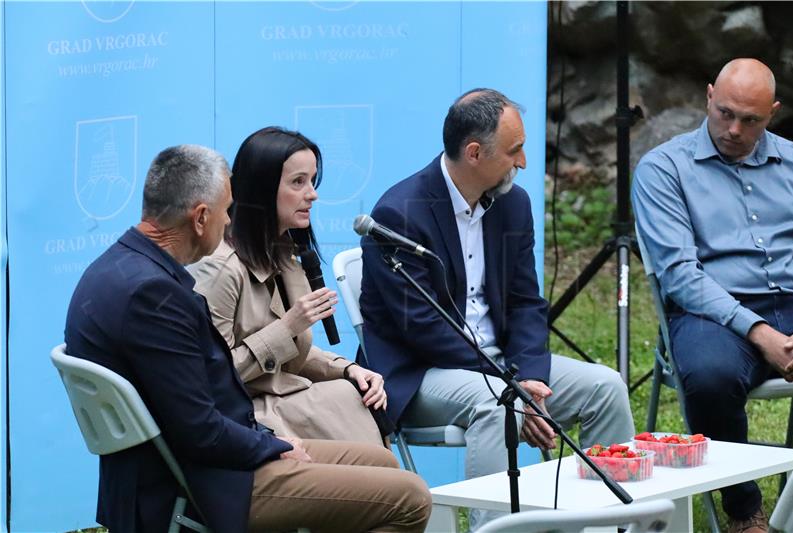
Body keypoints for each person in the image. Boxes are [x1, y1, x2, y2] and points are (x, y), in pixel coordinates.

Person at [64, 144, 431, 533]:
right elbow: (200, 430)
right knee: (411, 498)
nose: (228, 223)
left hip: (213, 459)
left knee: (385, 465)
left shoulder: (114, 269)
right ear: (201, 217)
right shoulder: (153, 295)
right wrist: (274, 446)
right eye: (225, 211)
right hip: (208, 483)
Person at [359, 88, 634, 529]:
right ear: (474, 153)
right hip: (421, 371)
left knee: (605, 387)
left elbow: (526, 301)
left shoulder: (513, 203)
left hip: (503, 366)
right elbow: (424, 331)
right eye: (515, 151)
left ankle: (608, 525)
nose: (523, 162)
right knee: (497, 405)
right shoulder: (399, 213)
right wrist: (514, 386)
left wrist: (531, 377)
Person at [633, 58, 793, 533]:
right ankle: (744, 512)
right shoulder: (664, 168)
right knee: (708, 376)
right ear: (708, 96)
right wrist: (759, 330)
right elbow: (680, 275)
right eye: (725, 112)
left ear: (774, 112)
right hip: (712, 309)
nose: (733, 129)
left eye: (751, 120)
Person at [191, 127, 386, 446]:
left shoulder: (285, 256)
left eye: (312, 180)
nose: (312, 194)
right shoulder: (220, 267)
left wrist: (348, 369)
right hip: (245, 422)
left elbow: (292, 355)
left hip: (284, 403)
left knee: (354, 393)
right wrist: (288, 326)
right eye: (298, 182)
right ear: (262, 189)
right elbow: (211, 377)